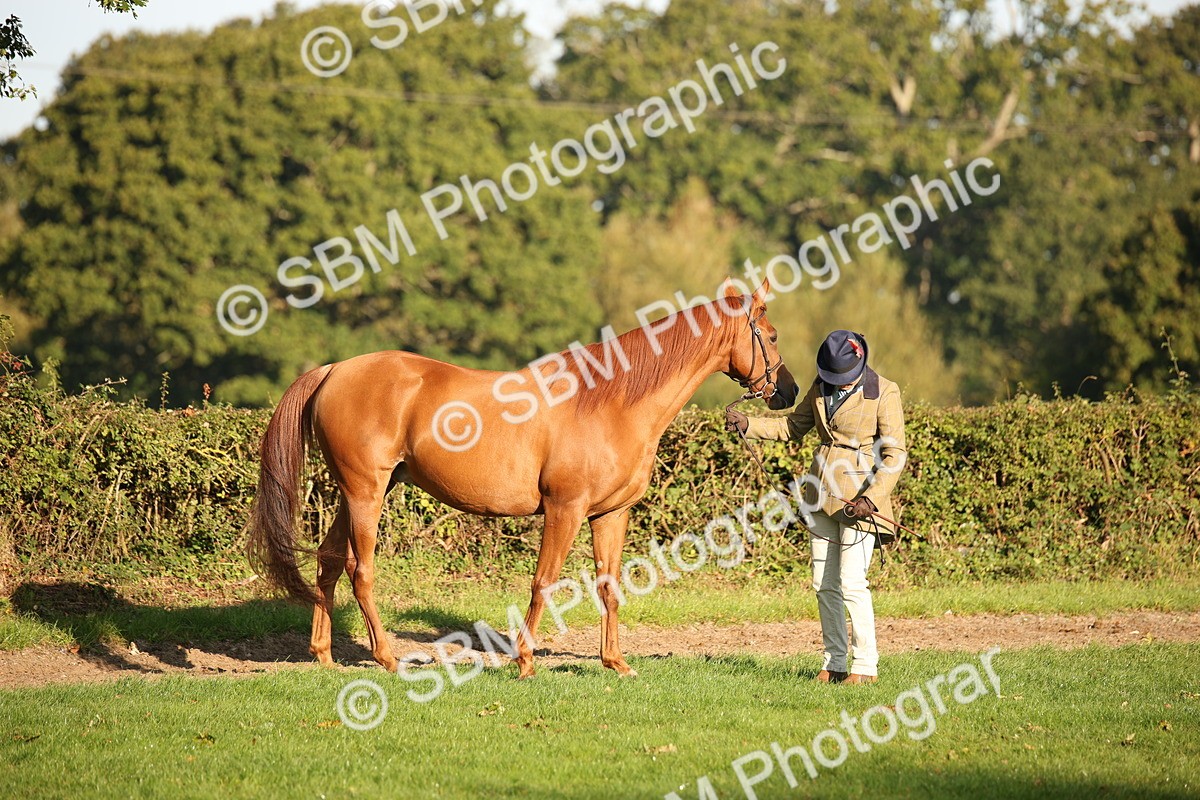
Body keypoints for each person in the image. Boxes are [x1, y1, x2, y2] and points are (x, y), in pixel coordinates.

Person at [725, 330, 907, 684]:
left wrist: (873, 497)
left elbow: (895, 453)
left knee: (852, 582)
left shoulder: (885, 391)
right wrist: (750, 425)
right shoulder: (822, 386)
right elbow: (794, 426)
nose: (836, 384)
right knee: (823, 583)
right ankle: (835, 662)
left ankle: (865, 666)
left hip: (862, 502)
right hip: (820, 495)